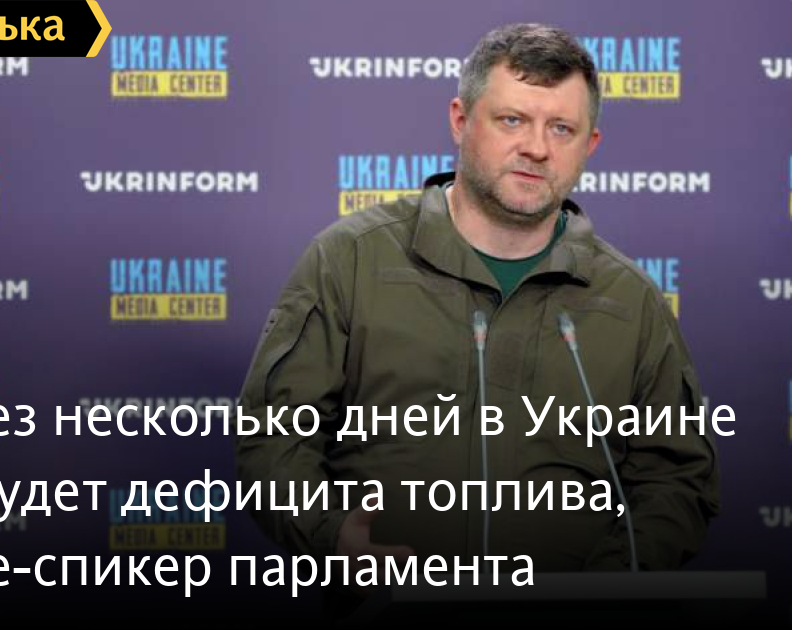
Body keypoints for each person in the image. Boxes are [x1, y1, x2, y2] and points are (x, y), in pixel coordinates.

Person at [234, 22, 719, 604]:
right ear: (460, 120)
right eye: (512, 120)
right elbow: (271, 438)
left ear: (589, 146)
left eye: (561, 128)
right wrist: (332, 534)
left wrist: (609, 580)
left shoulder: (630, 299)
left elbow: (677, 478)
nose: (537, 147)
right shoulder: (351, 260)